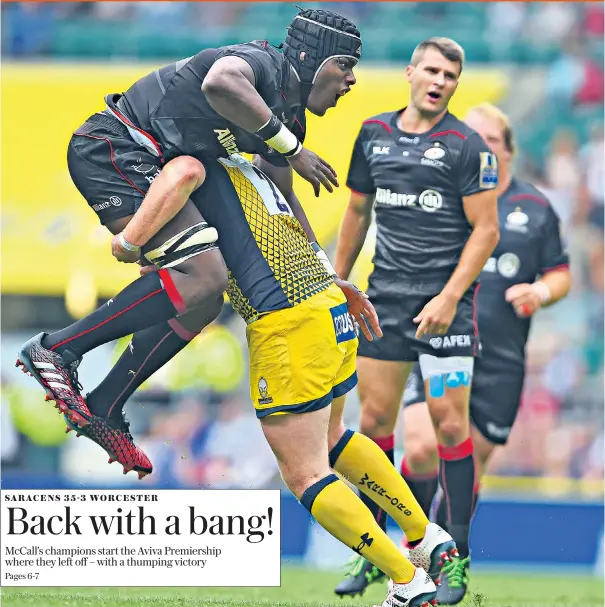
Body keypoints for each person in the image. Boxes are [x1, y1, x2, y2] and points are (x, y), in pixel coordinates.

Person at [16, 7, 354, 480]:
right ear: (311, 57)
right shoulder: (259, 64)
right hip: (115, 146)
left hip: (159, 171)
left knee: (202, 303)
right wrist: (293, 151)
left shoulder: (289, 120)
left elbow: (283, 201)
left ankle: (106, 402)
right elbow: (220, 82)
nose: (351, 80)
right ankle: (58, 349)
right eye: (346, 65)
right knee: (205, 275)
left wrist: (327, 273)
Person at [333, 38, 500, 605]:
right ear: (410, 72)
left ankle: (457, 558)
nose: (439, 80)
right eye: (431, 70)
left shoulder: (466, 145)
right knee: (375, 420)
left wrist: (452, 296)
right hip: (385, 301)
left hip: (446, 308)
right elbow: (357, 209)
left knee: (450, 427)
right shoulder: (373, 133)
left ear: (456, 83)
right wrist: (340, 281)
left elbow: (487, 231)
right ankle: (380, 557)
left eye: (450, 75)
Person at [400, 102, 571, 591]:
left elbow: (560, 272)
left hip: (501, 360)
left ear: (508, 149)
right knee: (420, 446)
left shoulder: (536, 209)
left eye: (490, 139)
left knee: (469, 467)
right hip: (440, 343)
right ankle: (423, 542)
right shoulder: (439, 198)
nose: (478, 146)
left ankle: (448, 557)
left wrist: (540, 292)